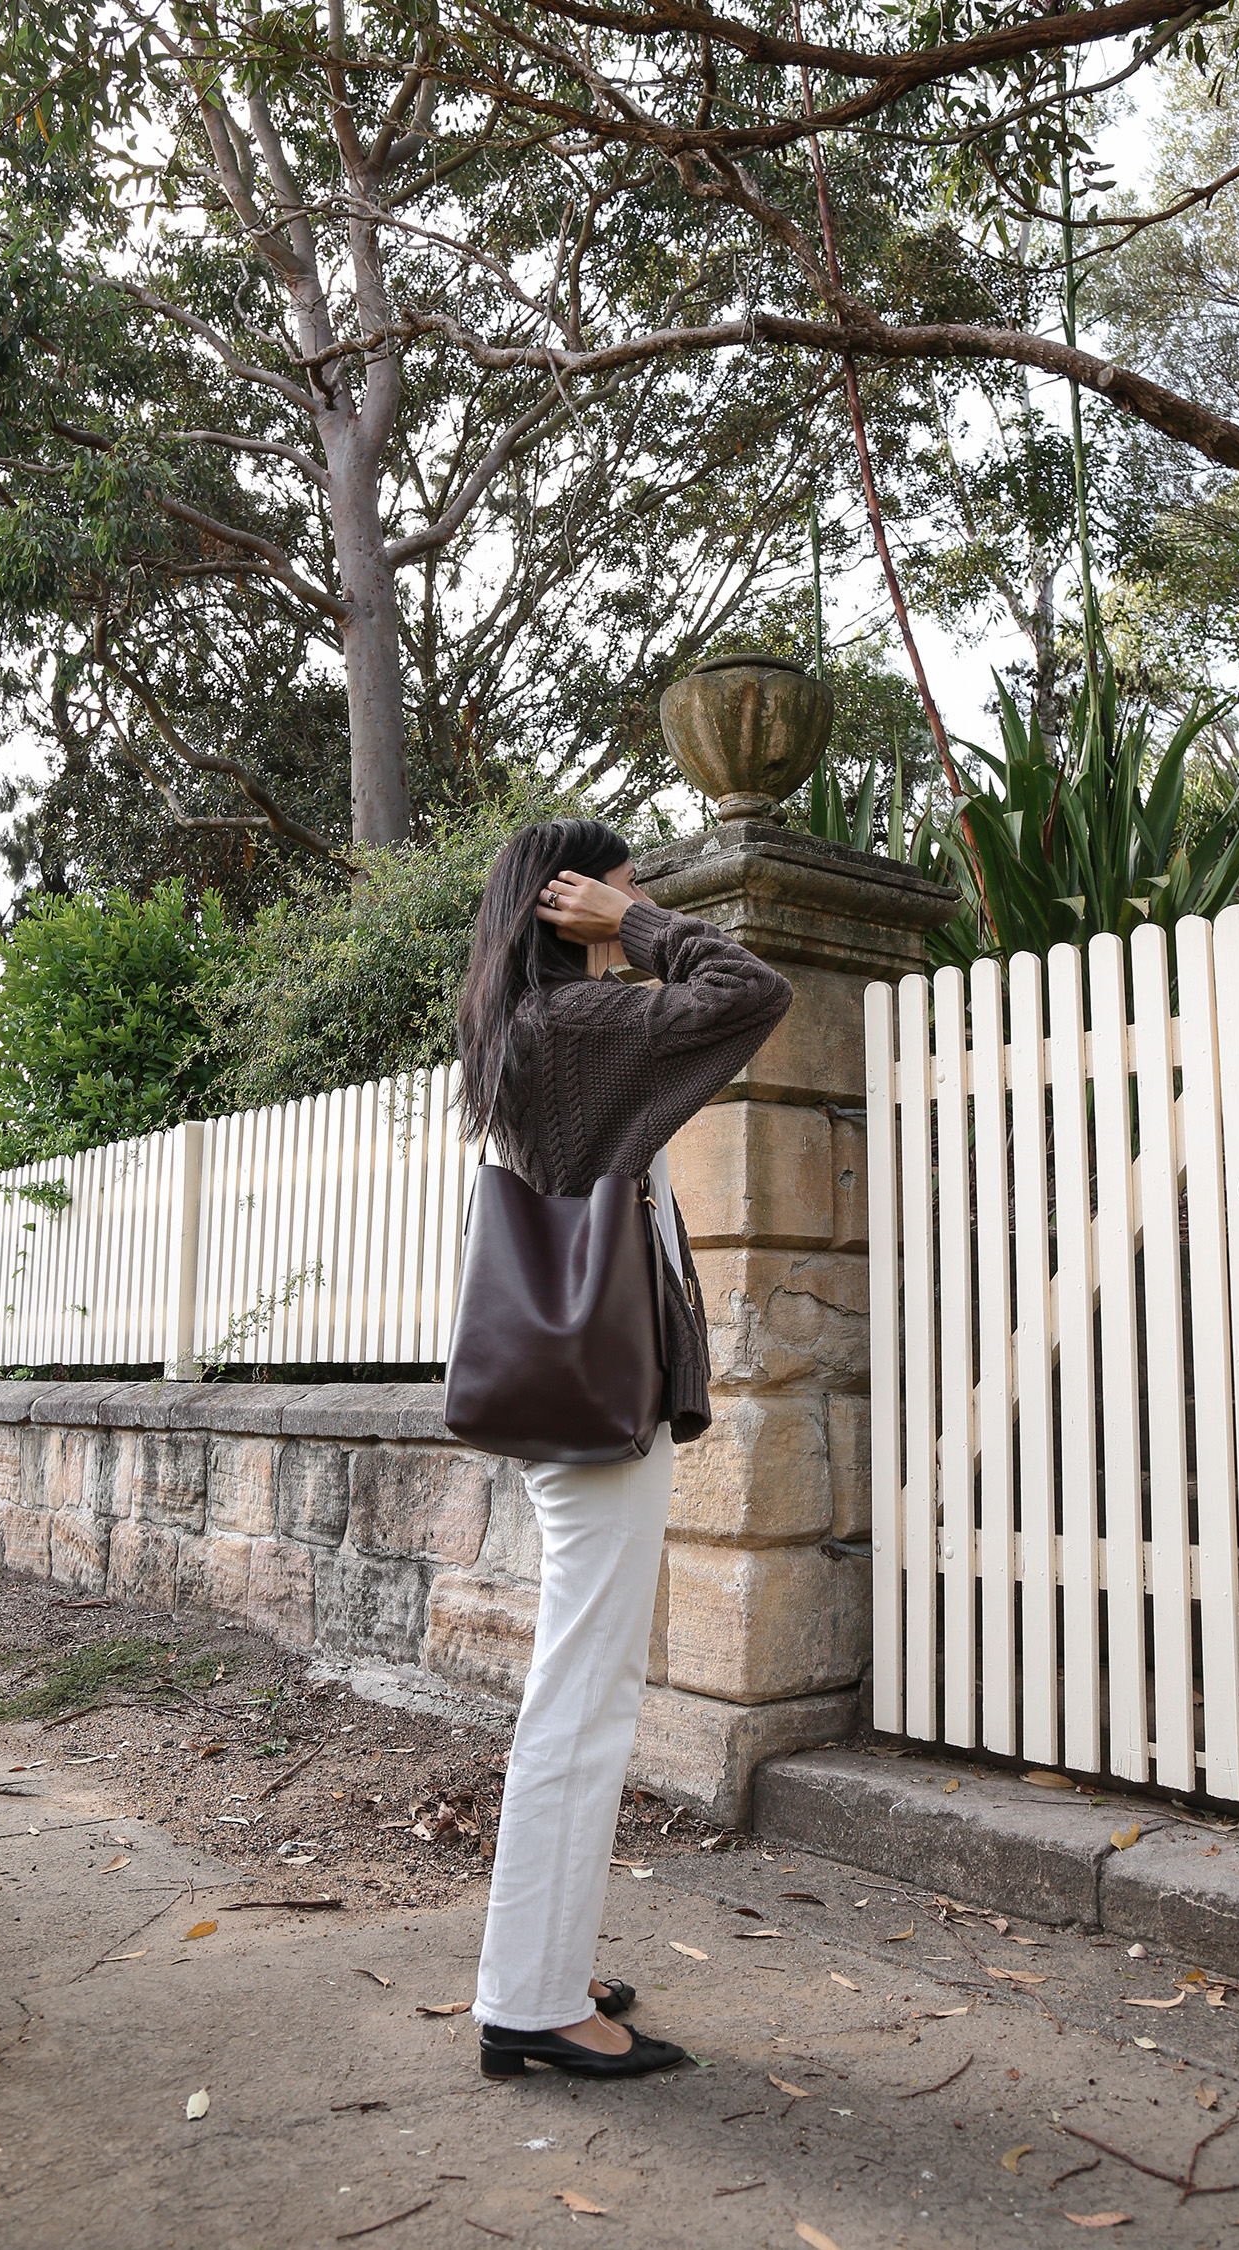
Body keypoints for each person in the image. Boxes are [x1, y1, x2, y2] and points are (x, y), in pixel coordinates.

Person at [455, 817, 792, 2081]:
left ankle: (541, 1966)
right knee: (581, 1707)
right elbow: (750, 989)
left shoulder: (523, 1033)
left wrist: (616, 930)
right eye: (609, 888)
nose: (630, 905)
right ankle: (532, 2003)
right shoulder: (581, 1029)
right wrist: (637, 931)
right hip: (599, 1420)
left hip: (577, 1411)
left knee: (580, 1696)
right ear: (567, 902)